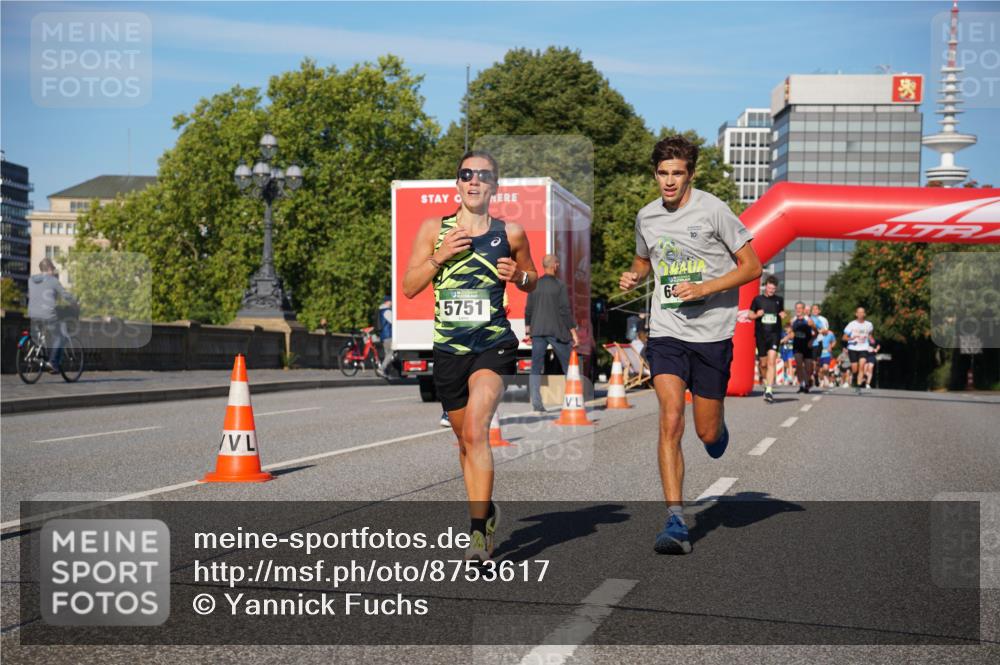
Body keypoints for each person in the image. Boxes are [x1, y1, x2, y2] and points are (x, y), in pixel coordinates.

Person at [620, 135, 761, 555]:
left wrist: (704, 288)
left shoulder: (714, 210)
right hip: (667, 330)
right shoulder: (647, 216)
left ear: (690, 175)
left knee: (706, 431)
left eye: (677, 173)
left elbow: (752, 266)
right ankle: (676, 519)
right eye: (662, 173)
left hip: (712, 334)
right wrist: (634, 275)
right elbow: (644, 260)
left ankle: (717, 430)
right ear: (655, 174)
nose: (669, 181)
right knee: (670, 418)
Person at [402, 150, 537, 562]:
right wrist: (440, 255)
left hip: (493, 345)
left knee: (478, 432)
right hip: (449, 351)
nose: (474, 180)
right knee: (464, 441)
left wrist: (520, 276)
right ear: (457, 183)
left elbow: (533, 279)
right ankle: (485, 510)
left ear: (495, 185)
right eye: (466, 174)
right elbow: (409, 287)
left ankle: (478, 534)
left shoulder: (511, 233)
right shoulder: (434, 229)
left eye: (483, 175)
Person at [525, 254, 579, 414]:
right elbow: (564, 310)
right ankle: (572, 401)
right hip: (556, 331)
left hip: (537, 331)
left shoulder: (534, 284)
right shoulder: (560, 285)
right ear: (555, 265)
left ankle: (537, 404)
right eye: (558, 264)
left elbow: (528, 309)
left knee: (535, 367)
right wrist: (573, 332)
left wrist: (528, 329)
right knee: (569, 366)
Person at [27, 258, 76, 372]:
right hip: (47, 314)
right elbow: (65, 295)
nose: (53, 271)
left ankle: (38, 353)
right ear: (49, 269)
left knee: (40, 336)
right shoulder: (53, 281)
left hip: (32, 313)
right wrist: (74, 302)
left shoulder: (31, 280)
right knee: (59, 336)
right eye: (53, 269)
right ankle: (53, 362)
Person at [748, 275, 785, 403]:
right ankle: (765, 383)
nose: (771, 291)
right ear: (765, 287)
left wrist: (782, 314)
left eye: (773, 289)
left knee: (771, 362)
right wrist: (756, 315)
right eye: (769, 288)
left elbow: (781, 312)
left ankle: (769, 389)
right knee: (763, 364)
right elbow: (750, 315)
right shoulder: (757, 299)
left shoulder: (779, 300)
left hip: (774, 334)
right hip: (761, 335)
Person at [782, 302, 816, 394]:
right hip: (797, 346)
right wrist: (787, 337)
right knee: (799, 365)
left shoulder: (808, 320)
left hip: (807, 346)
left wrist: (812, 340)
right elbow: (791, 332)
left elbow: (816, 332)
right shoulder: (793, 320)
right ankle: (802, 384)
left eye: (800, 308)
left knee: (808, 368)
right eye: (797, 308)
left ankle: (807, 382)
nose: (798, 310)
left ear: (804, 310)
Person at [843, 307, 874, 396]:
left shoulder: (869, 325)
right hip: (853, 348)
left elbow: (870, 335)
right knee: (854, 369)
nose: (860, 314)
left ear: (864, 314)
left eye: (862, 312)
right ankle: (854, 378)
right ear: (856, 314)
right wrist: (851, 338)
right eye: (859, 312)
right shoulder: (851, 324)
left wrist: (871, 340)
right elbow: (844, 337)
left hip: (864, 348)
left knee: (862, 366)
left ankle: (859, 386)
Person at [809, 304, 829, 388]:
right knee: (809, 361)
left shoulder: (823, 319)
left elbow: (826, 331)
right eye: (813, 309)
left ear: (819, 311)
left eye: (816, 309)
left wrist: (818, 331)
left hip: (818, 341)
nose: (814, 310)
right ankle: (810, 377)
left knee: (816, 362)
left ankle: (815, 374)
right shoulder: (808, 318)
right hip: (808, 342)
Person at [377, 295, 394, 376]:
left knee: (387, 354)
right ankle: (381, 369)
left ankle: (386, 371)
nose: (392, 303)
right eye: (391, 301)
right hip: (388, 335)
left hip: (384, 336)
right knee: (390, 354)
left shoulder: (381, 311)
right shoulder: (387, 311)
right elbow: (393, 321)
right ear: (388, 302)